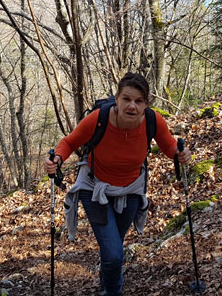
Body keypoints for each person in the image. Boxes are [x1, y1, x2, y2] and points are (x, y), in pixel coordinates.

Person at [45, 72, 191, 296]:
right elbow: (69, 142)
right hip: (95, 189)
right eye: (126, 99)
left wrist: (180, 153)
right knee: (114, 253)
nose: (132, 106)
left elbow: (169, 145)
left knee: (113, 247)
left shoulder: (153, 121)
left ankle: (107, 281)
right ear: (117, 99)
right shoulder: (98, 119)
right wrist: (57, 158)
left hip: (131, 189)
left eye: (139, 101)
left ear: (146, 105)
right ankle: (113, 291)